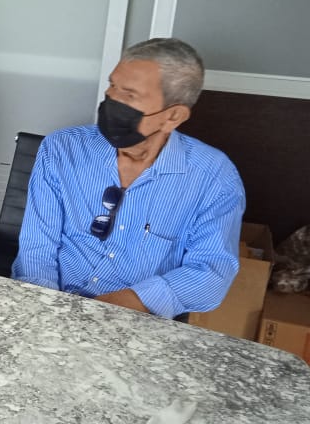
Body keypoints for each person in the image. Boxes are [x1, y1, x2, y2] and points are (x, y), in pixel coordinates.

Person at [13, 38, 245, 319]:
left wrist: (109, 309)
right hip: (48, 306)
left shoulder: (214, 179)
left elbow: (211, 274)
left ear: (173, 116)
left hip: (134, 320)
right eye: (112, 86)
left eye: (129, 96)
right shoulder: (63, 149)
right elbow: (37, 247)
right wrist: (47, 312)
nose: (112, 100)